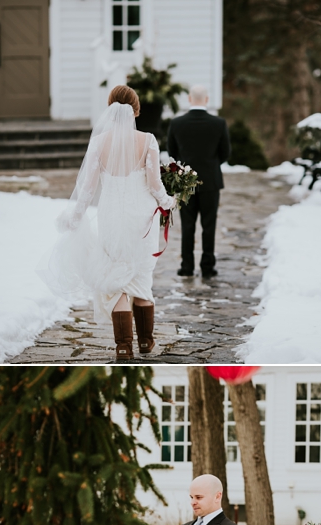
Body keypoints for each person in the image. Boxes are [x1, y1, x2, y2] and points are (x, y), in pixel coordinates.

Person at [44, 85, 176, 360]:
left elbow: (88, 189)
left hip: (111, 217)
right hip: (142, 218)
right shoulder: (148, 140)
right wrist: (168, 202)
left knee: (116, 277)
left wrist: (76, 217)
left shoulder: (99, 142)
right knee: (141, 275)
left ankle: (123, 345)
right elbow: (154, 183)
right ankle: (146, 343)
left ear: (110, 108)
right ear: (136, 110)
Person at [167, 86, 231, 279]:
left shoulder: (177, 123)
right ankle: (207, 267)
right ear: (207, 99)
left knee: (188, 225)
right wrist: (210, 166)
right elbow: (225, 153)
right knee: (208, 225)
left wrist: (186, 169)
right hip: (211, 182)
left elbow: (172, 152)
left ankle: (187, 266)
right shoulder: (218, 123)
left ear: (189, 99)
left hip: (186, 182)